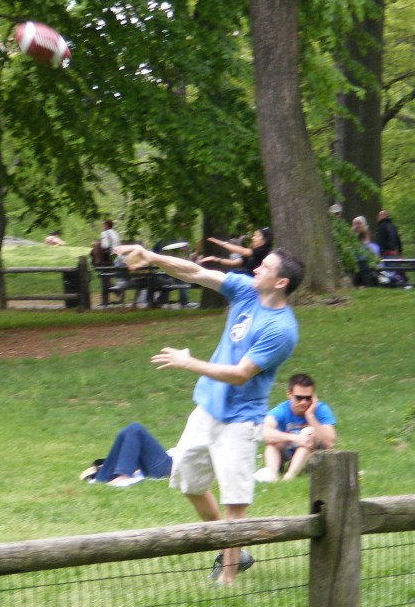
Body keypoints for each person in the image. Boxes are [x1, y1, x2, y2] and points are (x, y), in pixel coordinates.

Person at [114, 240, 305, 585]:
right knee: (187, 480)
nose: (256, 268)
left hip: (241, 420)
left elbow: (240, 373)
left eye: (265, 267)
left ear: (281, 283)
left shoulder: (281, 330)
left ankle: (227, 578)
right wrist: (152, 256)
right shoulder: (247, 292)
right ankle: (233, 550)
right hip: (207, 409)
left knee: (235, 501)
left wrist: (189, 363)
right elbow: (196, 272)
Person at [255, 373, 337, 482]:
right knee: (271, 443)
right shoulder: (281, 410)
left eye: (308, 398)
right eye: (299, 398)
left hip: (313, 454)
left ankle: (289, 477)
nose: (304, 402)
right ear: (289, 394)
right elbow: (262, 432)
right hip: (287, 450)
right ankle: (273, 476)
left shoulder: (321, 409)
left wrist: (310, 416)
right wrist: (295, 438)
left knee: (309, 433)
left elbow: (330, 443)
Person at [79, 422, 175, 487]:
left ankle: (124, 476)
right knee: (124, 433)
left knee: (135, 429)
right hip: (172, 459)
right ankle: (102, 478)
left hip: (173, 466)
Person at [201, 227, 273, 276]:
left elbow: (243, 251)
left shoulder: (265, 251)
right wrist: (215, 259)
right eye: (254, 235)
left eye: (257, 236)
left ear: (265, 239)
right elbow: (234, 263)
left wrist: (221, 243)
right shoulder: (253, 252)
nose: (253, 238)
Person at [94, 219, 121, 307]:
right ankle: (108, 297)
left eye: (103, 225)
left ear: (106, 225)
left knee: (105, 278)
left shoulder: (104, 233)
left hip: (107, 258)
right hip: (115, 257)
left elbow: (105, 246)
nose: (102, 227)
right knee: (106, 278)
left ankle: (114, 294)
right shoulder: (115, 233)